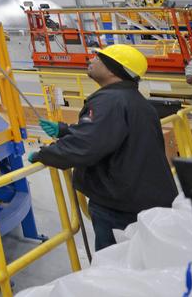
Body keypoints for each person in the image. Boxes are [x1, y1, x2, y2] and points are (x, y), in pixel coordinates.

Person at [30, 44, 177, 250]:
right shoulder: (133, 100)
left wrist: (44, 154)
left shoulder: (109, 101)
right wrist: (64, 130)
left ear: (112, 69)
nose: (90, 60)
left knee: (115, 265)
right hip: (144, 198)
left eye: (98, 58)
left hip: (121, 206)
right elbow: (107, 134)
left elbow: (85, 147)